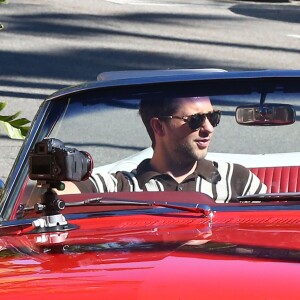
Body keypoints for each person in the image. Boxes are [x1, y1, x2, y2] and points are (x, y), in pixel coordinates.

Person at [74, 96, 267, 203]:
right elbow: (55, 194)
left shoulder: (238, 179)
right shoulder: (120, 186)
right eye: (195, 120)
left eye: (213, 117)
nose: (208, 128)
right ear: (158, 127)